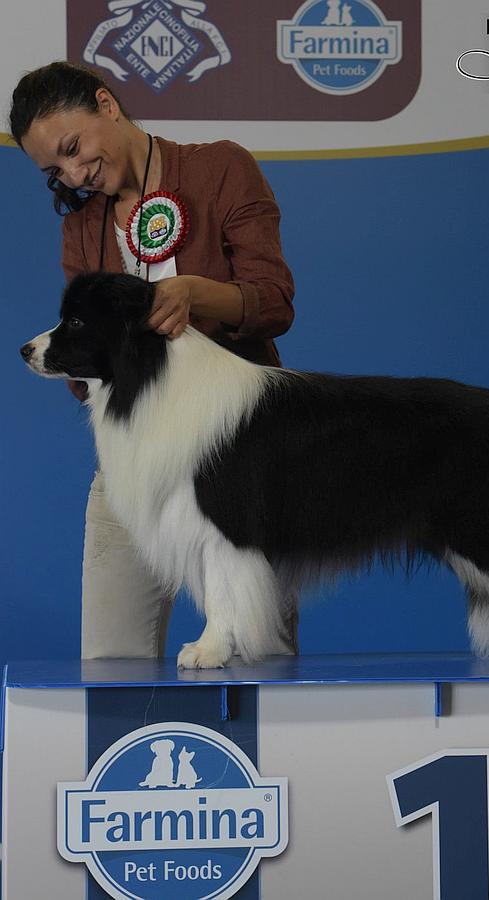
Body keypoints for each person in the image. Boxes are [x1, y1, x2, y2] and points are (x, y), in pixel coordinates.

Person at [10, 60, 298, 661]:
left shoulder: (222, 168)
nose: (74, 175)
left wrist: (195, 294)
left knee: (257, 660)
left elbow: (273, 302)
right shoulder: (81, 228)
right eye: (54, 170)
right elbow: (86, 371)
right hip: (131, 469)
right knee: (110, 665)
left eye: (73, 148)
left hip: (236, 461)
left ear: (106, 104)